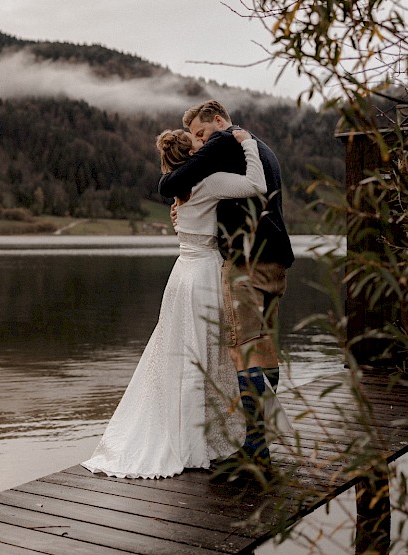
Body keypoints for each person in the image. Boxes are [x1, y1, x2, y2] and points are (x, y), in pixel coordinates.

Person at [82, 128, 266, 479]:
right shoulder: (210, 182)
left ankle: (189, 429)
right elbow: (256, 185)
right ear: (193, 155)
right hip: (204, 276)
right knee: (205, 353)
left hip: (181, 274)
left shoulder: (177, 187)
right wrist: (249, 145)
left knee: (181, 352)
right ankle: (201, 437)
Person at [159, 99, 294, 475]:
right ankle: (261, 439)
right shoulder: (263, 148)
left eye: (202, 133)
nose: (200, 145)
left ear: (218, 121)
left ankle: (256, 447)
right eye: (196, 139)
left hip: (246, 263)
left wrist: (177, 195)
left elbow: (176, 180)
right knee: (264, 347)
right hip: (276, 259)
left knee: (243, 350)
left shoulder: (227, 144)